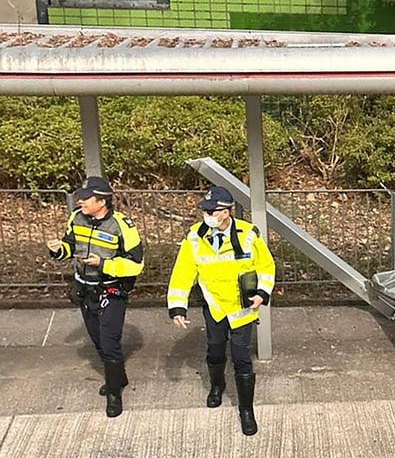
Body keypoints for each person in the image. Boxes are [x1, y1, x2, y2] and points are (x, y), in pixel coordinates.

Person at [167, 186, 275, 436]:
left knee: (241, 358)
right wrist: (177, 307)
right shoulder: (195, 236)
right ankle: (217, 386)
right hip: (214, 307)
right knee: (214, 351)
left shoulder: (248, 234)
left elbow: (266, 266)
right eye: (205, 210)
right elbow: (183, 273)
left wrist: (262, 293)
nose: (207, 214)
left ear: (227, 211)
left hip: (242, 309)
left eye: (212, 210)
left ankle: (246, 410)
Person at [46, 176, 144, 418]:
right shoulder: (76, 218)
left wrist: (104, 264)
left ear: (102, 201)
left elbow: (136, 264)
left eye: (86, 198)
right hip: (85, 289)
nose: (80, 201)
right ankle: (118, 378)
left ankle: (113, 395)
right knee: (98, 341)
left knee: (110, 344)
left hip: (110, 291)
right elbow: (71, 246)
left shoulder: (122, 225)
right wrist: (58, 250)